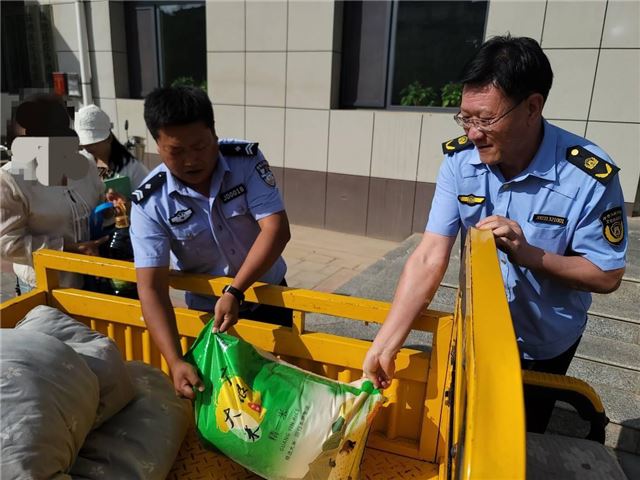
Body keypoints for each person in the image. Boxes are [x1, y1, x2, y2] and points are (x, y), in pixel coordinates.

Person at [362, 35, 627, 434]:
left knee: (520, 437)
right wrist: (385, 345)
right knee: (463, 430)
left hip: (542, 345)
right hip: (475, 334)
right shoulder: (460, 162)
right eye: (465, 118)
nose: (473, 133)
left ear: (532, 107)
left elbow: (607, 274)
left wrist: (530, 254)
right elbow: (429, 255)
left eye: (485, 120)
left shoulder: (586, 176)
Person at [130, 86, 292, 398]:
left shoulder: (245, 162)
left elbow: (276, 230)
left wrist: (235, 290)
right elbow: (151, 288)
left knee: (281, 395)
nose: (192, 160)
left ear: (214, 134)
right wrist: (175, 360)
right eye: (177, 151)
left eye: (200, 146)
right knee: (226, 403)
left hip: (269, 301)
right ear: (158, 146)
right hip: (210, 319)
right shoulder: (149, 202)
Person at [0, 94, 107, 293]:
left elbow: (100, 208)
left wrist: (113, 208)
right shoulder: (11, 179)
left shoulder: (85, 163)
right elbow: (7, 243)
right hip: (46, 285)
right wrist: (66, 249)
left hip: (93, 280)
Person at [74, 104, 149, 191]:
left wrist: (126, 200)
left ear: (109, 138)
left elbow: (148, 196)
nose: (88, 147)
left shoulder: (134, 169)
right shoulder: (83, 161)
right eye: (85, 143)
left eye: (93, 142)